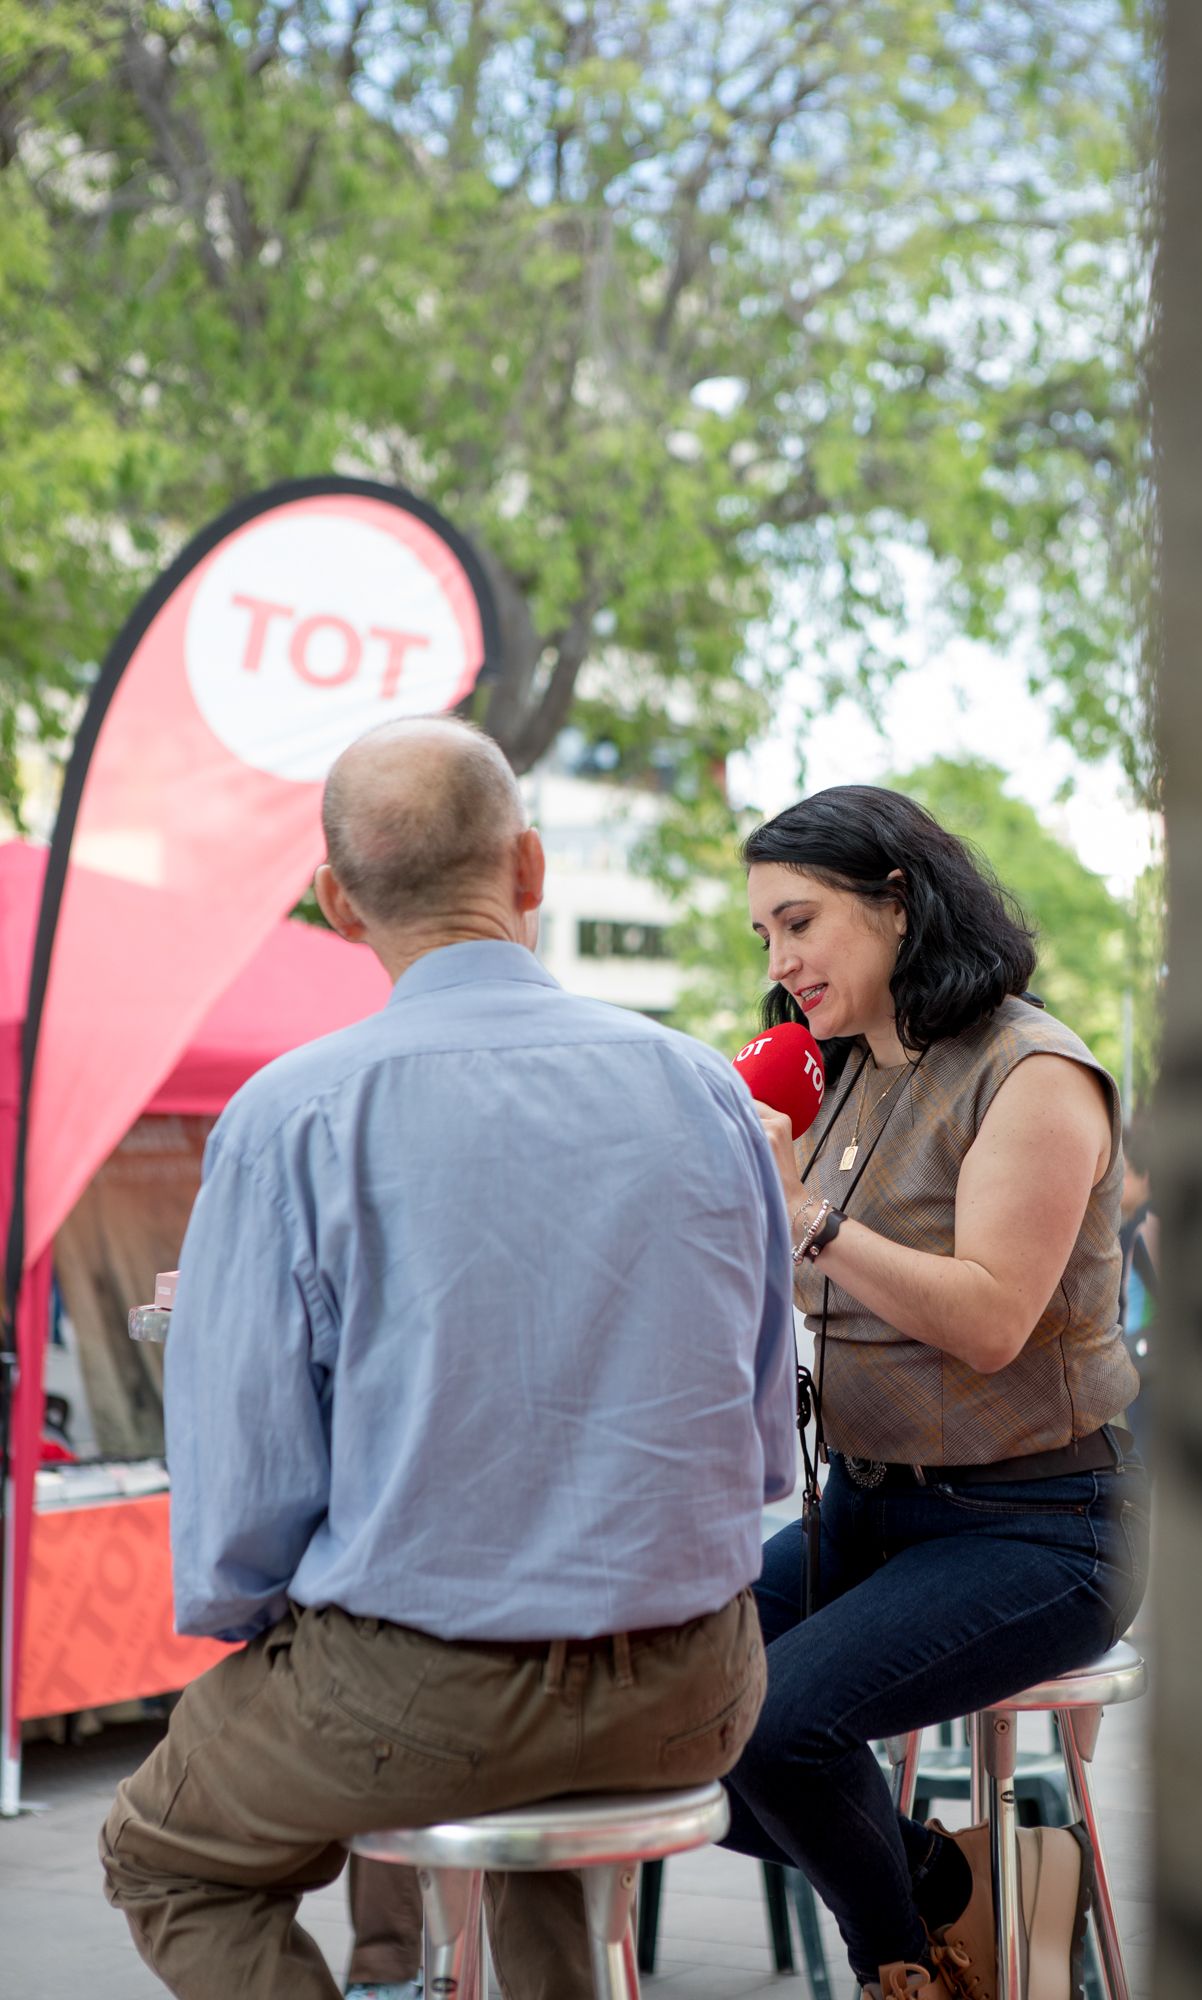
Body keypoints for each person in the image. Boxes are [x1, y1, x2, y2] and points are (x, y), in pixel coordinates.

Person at [100, 717, 795, 2000]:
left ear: (336, 902)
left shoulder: (291, 1113)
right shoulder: (701, 1088)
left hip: (428, 1694)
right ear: (531, 869)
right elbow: (760, 1443)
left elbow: (247, 1509)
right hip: (696, 1680)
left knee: (163, 1854)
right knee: (532, 1830)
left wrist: (273, 1626)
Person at [722, 784, 1150, 2000]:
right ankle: (974, 1885)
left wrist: (802, 1213)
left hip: (1043, 1524)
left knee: (770, 1724)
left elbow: (986, 1318)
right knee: (651, 1703)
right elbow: (830, 1299)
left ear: (896, 901)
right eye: (765, 934)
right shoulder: (841, 1069)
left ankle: (906, 1967)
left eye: (798, 921)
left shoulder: (1030, 1070)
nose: (782, 957)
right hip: (871, 1506)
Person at [1118, 1119, 1159, 1462]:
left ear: (1146, 1177)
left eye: (1126, 1171)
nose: (1119, 1181)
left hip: (1148, 1364)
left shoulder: (1146, 1222)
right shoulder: (1134, 1222)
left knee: (1144, 1460)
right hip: (1145, 1362)